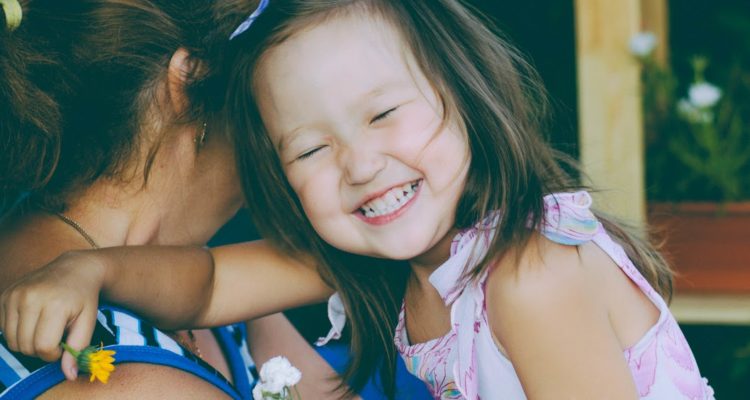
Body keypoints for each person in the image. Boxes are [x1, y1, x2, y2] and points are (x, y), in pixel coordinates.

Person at [1, 0, 715, 398]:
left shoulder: (531, 279)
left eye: (383, 115)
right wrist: (89, 271)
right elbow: (209, 282)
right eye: (310, 150)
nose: (361, 165)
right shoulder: (377, 257)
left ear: (464, 91)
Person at [0, 0, 368, 398]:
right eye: (266, 83)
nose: (285, 120)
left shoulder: (188, 272)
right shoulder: (124, 383)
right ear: (190, 82)